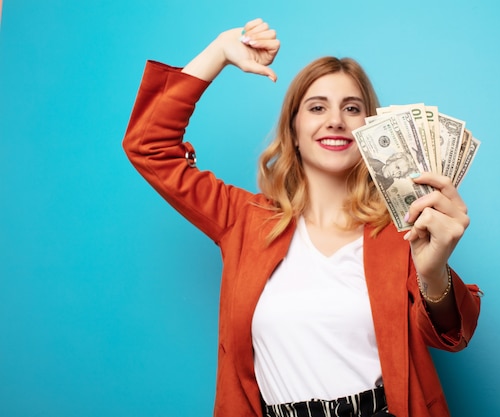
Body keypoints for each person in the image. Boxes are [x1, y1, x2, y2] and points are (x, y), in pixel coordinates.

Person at [122, 18, 481, 417]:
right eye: (316, 107)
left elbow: (452, 333)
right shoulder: (244, 220)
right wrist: (220, 52)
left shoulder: (404, 230)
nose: (335, 120)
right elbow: (149, 146)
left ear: (372, 129)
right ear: (293, 129)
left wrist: (433, 273)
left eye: (352, 108)